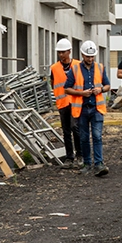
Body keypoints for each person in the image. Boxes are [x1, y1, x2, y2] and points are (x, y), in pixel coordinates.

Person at [64, 40, 110, 176]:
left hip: (96, 108)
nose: (90, 59)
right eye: (88, 56)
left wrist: (100, 89)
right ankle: (87, 163)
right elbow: (66, 88)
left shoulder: (100, 68)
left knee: (97, 136)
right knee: (84, 137)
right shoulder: (75, 69)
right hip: (82, 109)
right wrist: (81, 93)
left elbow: (107, 85)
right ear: (82, 55)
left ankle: (99, 164)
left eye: (92, 56)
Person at [51, 38, 82, 169]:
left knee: (76, 128)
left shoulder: (78, 65)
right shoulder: (54, 68)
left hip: (75, 102)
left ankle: (80, 155)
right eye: (59, 52)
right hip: (63, 103)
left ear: (69, 51)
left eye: (63, 52)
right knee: (66, 131)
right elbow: (53, 84)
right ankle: (70, 157)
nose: (61, 55)